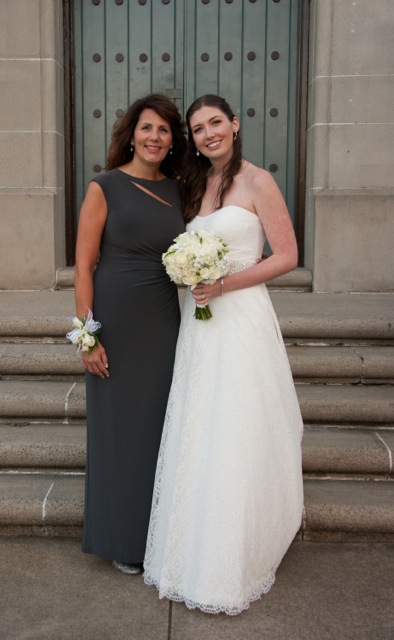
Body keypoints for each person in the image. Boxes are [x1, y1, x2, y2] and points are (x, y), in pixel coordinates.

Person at [143, 95, 304, 614]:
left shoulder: (258, 181)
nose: (208, 133)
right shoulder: (193, 184)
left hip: (240, 317)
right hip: (200, 324)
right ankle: (191, 549)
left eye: (216, 122)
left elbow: (287, 256)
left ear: (234, 124)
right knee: (200, 426)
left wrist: (224, 283)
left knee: (236, 425)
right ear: (191, 139)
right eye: (198, 128)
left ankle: (232, 557)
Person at [73, 94, 186, 574]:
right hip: (115, 321)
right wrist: (87, 336)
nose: (154, 137)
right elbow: (84, 266)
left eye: (163, 129)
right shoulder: (105, 186)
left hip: (163, 322)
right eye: (146, 128)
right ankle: (122, 540)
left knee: (158, 429)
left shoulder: (181, 190)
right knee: (119, 433)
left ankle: (159, 535)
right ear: (132, 134)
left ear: (172, 139)